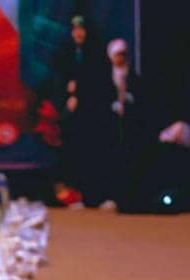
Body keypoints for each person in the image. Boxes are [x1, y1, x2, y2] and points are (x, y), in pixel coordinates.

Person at [86, 38, 142, 209]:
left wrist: (130, 101)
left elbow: (142, 98)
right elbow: (97, 100)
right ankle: (108, 197)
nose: (120, 59)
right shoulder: (104, 76)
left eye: (123, 55)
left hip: (128, 128)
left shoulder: (132, 76)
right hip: (109, 127)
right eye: (118, 55)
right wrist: (111, 104)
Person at [54, 15, 99, 198]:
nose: (78, 33)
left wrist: (79, 92)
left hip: (89, 112)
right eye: (74, 29)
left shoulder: (95, 54)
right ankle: (71, 193)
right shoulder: (65, 53)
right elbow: (58, 80)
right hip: (69, 113)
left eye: (81, 29)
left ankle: (90, 192)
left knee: (88, 151)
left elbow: (98, 82)